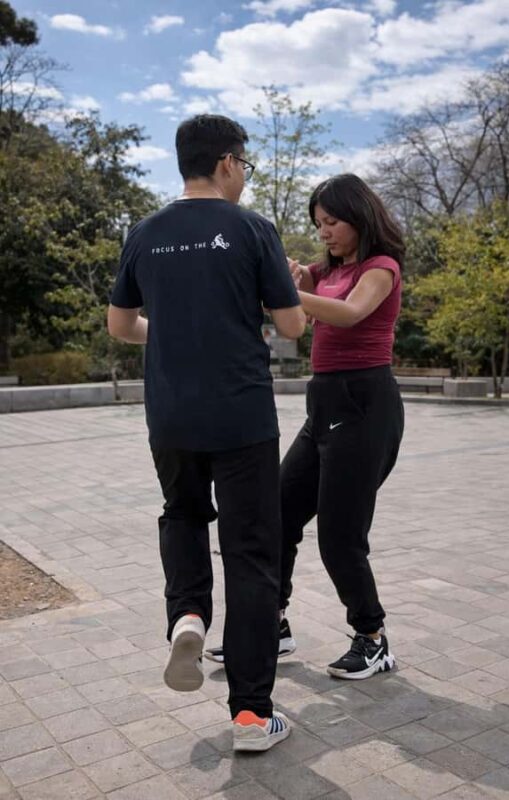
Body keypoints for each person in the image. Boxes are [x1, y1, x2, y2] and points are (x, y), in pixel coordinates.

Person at [108, 114, 306, 752]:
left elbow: (121, 324)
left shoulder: (144, 232)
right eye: (244, 165)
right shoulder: (252, 229)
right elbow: (292, 325)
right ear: (226, 163)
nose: (245, 176)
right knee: (251, 554)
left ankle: (188, 616)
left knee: (184, 516)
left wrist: (165, 333)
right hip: (241, 416)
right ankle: (250, 715)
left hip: (170, 415)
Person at [206, 173, 404, 681]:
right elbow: (302, 288)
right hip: (324, 405)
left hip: (365, 404)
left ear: (360, 216)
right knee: (276, 515)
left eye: (333, 222)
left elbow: (348, 313)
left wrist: (288, 296)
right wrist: (290, 278)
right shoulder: (323, 270)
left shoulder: (381, 268)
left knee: (340, 534)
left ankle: (373, 637)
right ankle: (271, 625)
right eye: (318, 224)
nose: (325, 232)